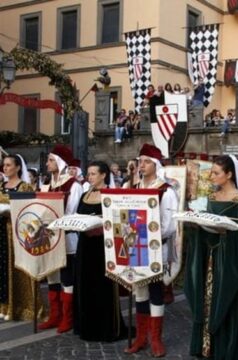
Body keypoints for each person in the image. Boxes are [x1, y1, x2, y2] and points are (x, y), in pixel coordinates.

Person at [184, 155, 238, 359]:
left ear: (229, 174)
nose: (212, 176)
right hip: (209, 257)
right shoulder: (211, 198)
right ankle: (206, 347)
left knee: (227, 302)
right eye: (211, 172)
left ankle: (227, 348)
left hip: (228, 263)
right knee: (206, 300)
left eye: (216, 173)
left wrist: (227, 235)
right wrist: (194, 227)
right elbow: (207, 226)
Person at [124, 143, 178, 357]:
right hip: (135, 248)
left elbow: (169, 224)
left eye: (146, 161)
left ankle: (155, 339)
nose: (142, 165)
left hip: (155, 248)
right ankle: (141, 337)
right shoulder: (134, 188)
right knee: (140, 291)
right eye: (140, 161)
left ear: (156, 165)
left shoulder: (165, 191)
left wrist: (148, 235)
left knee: (155, 292)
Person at [73, 161, 127, 341]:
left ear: (104, 175)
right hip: (85, 246)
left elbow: (119, 222)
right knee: (84, 285)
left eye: (93, 173)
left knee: (102, 287)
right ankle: (86, 327)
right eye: (88, 174)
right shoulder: (84, 194)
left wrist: (100, 227)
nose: (90, 177)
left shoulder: (111, 195)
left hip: (103, 248)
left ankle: (105, 328)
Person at [38, 145, 83, 333]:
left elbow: (70, 213)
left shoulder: (74, 185)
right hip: (49, 237)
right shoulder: (47, 184)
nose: (47, 163)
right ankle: (54, 315)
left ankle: (67, 317)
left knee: (66, 278)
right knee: (52, 277)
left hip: (67, 238)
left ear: (59, 162)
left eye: (50, 160)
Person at [0, 154, 44, 321]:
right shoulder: (1, 185)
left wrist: (9, 210)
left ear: (18, 167)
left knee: (17, 269)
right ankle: (3, 305)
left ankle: (18, 306)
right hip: (1, 231)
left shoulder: (24, 187)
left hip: (16, 233)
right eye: (4, 165)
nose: (5, 168)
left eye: (9, 165)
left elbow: (30, 211)